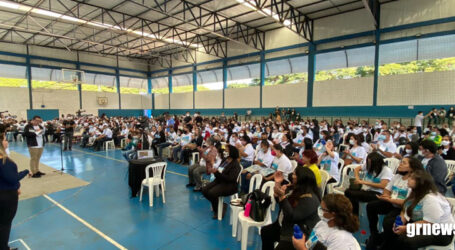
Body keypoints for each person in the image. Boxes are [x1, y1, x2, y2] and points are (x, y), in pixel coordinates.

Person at [365, 157, 424, 249]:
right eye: (401, 162)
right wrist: (389, 198)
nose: (400, 164)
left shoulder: (413, 181)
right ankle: (374, 234)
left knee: (388, 222)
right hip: (393, 203)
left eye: (404, 163)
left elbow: (407, 202)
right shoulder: (397, 177)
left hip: (403, 208)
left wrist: (390, 199)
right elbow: (386, 191)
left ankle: (387, 242)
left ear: (412, 168)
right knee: (371, 206)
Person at [261, 167, 321, 250]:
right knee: (266, 232)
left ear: (301, 178)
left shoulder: (310, 198)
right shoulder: (295, 189)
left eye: (294, 174)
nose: (292, 176)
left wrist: (282, 196)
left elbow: (292, 216)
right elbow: (281, 202)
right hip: (285, 225)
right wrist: (278, 184)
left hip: (297, 233)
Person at [391, 170, 454, 249]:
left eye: (411, 178)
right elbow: (405, 209)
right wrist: (400, 222)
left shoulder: (430, 198)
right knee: (395, 232)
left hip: (442, 232)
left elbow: (429, 222)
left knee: (407, 240)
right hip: (426, 226)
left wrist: (406, 228)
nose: (408, 179)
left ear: (420, 183)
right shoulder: (414, 192)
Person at [0, 124, 29, 250]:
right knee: (5, 224)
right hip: (6, 196)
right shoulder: (4, 162)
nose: (7, 141)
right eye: (5, 139)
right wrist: (26, 172)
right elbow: (12, 178)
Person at [202, 145, 241, 220]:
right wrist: (215, 172)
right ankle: (220, 205)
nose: (225, 152)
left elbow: (230, 179)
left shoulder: (235, 165)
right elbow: (219, 171)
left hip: (229, 185)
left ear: (231, 152)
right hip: (220, 180)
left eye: (227, 151)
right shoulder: (225, 160)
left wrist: (217, 173)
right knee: (204, 190)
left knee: (212, 193)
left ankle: (219, 210)